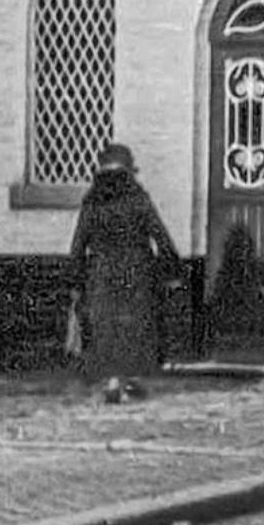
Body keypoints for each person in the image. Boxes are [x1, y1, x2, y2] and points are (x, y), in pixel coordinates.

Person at [69, 143, 178, 403]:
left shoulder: (93, 200)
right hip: (136, 269)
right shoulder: (137, 198)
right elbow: (159, 233)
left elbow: (79, 242)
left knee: (106, 327)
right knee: (133, 326)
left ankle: (111, 381)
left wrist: (75, 279)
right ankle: (128, 380)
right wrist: (172, 269)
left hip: (101, 270)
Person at [204, 222, 264, 362]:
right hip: (239, 329)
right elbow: (216, 301)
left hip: (249, 328)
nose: (241, 253)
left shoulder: (251, 268)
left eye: (242, 248)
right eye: (238, 248)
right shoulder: (228, 271)